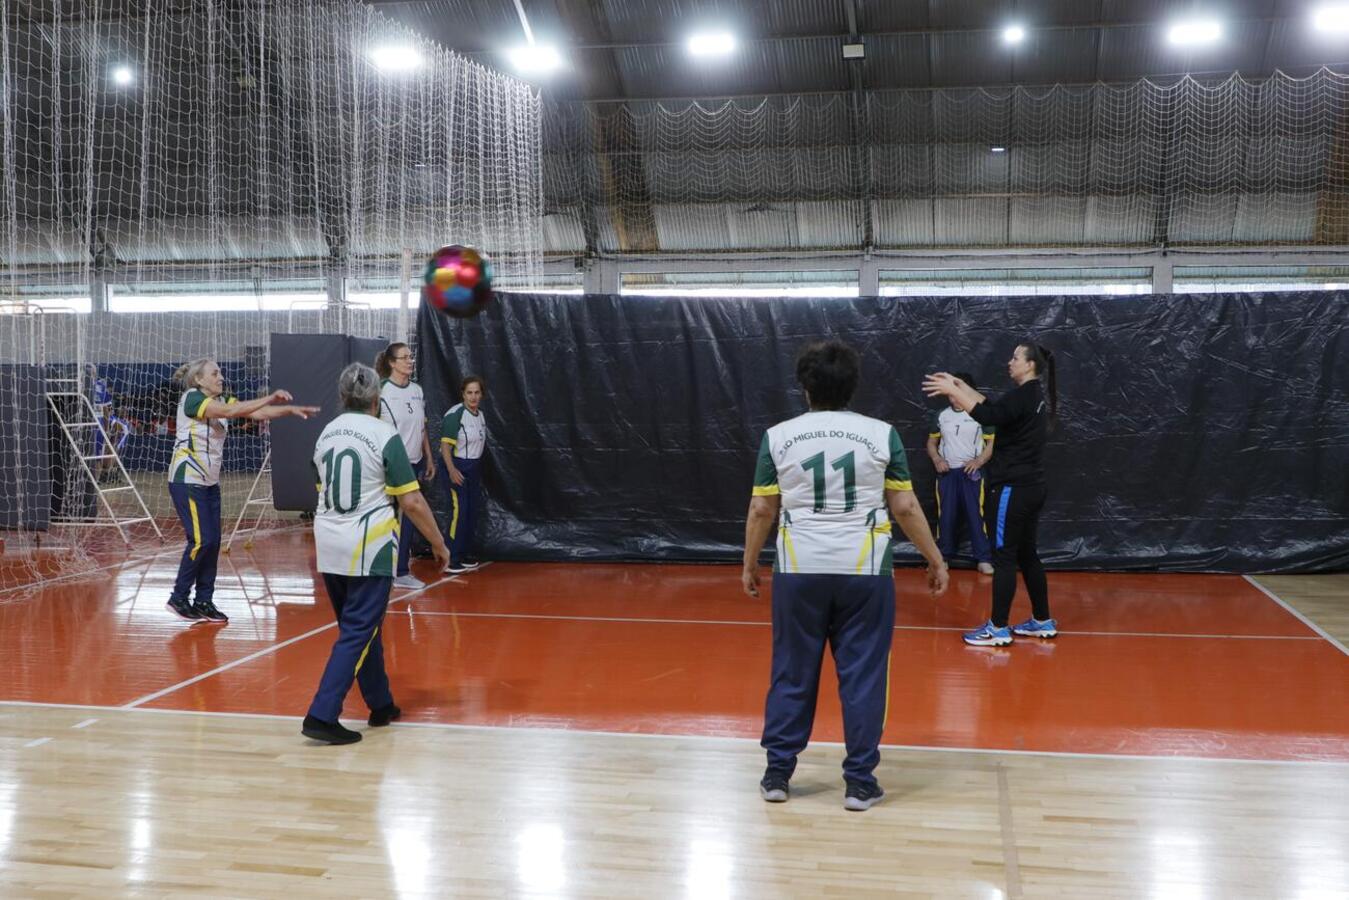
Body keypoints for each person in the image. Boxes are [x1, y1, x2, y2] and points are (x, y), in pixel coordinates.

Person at [743, 341, 949, 812]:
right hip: (865, 574)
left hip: (800, 571)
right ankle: (859, 782)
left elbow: (761, 509)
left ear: (805, 387)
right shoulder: (881, 435)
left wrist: (750, 562)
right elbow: (905, 506)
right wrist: (935, 559)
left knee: (792, 670)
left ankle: (778, 774)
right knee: (863, 675)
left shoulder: (779, 436)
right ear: (853, 385)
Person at [303, 363, 451, 745]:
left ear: (342, 396)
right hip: (368, 545)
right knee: (358, 631)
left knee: (361, 629)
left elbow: (319, 484)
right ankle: (322, 714)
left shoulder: (326, 433)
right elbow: (413, 500)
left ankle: (380, 703)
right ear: (377, 398)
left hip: (329, 541)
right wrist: (438, 543)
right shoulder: (384, 434)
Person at [923, 341, 1059, 646]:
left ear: (1030, 365)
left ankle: (997, 627)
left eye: (1015, 358)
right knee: (1027, 554)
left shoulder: (1025, 395)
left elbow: (986, 416)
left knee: (1006, 557)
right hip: (1033, 488)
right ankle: (1041, 620)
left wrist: (954, 392)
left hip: (1014, 489)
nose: (1009, 362)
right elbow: (994, 409)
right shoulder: (1032, 396)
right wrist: (960, 387)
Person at [166, 358, 318, 624]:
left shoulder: (222, 400)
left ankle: (204, 600)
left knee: (213, 543)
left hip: (208, 481)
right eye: (215, 373)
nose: (220, 377)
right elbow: (232, 412)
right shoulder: (192, 398)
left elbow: (257, 413)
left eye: (221, 373)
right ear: (199, 380)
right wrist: (269, 395)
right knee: (201, 540)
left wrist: (290, 409)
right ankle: (178, 597)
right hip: (187, 479)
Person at [374, 342, 436, 591]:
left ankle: (400, 571)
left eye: (411, 357)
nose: (410, 361)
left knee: (409, 517)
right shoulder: (381, 391)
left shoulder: (417, 391)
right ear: (391, 362)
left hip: (416, 460)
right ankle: (390, 571)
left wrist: (428, 457)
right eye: (405, 357)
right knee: (389, 516)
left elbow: (421, 427)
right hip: (392, 463)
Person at [926, 371, 995, 575]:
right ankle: (943, 557)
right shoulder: (941, 416)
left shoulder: (981, 414)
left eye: (957, 392)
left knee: (976, 515)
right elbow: (931, 443)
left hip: (971, 474)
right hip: (948, 475)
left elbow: (992, 443)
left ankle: (983, 559)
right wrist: (937, 459)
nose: (953, 397)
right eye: (950, 393)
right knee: (946, 516)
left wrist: (979, 460)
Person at [439, 375, 487, 575]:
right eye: (469, 393)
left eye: (477, 393)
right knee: (460, 511)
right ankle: (451, 557)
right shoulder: (455, 414)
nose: (473, 397)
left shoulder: (480, 415)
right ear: (463, 394)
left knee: (471, 511)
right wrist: (452, 470)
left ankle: (464, 553)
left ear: (481, 395)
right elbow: (445, 446)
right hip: (457, 466)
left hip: (473, 468)